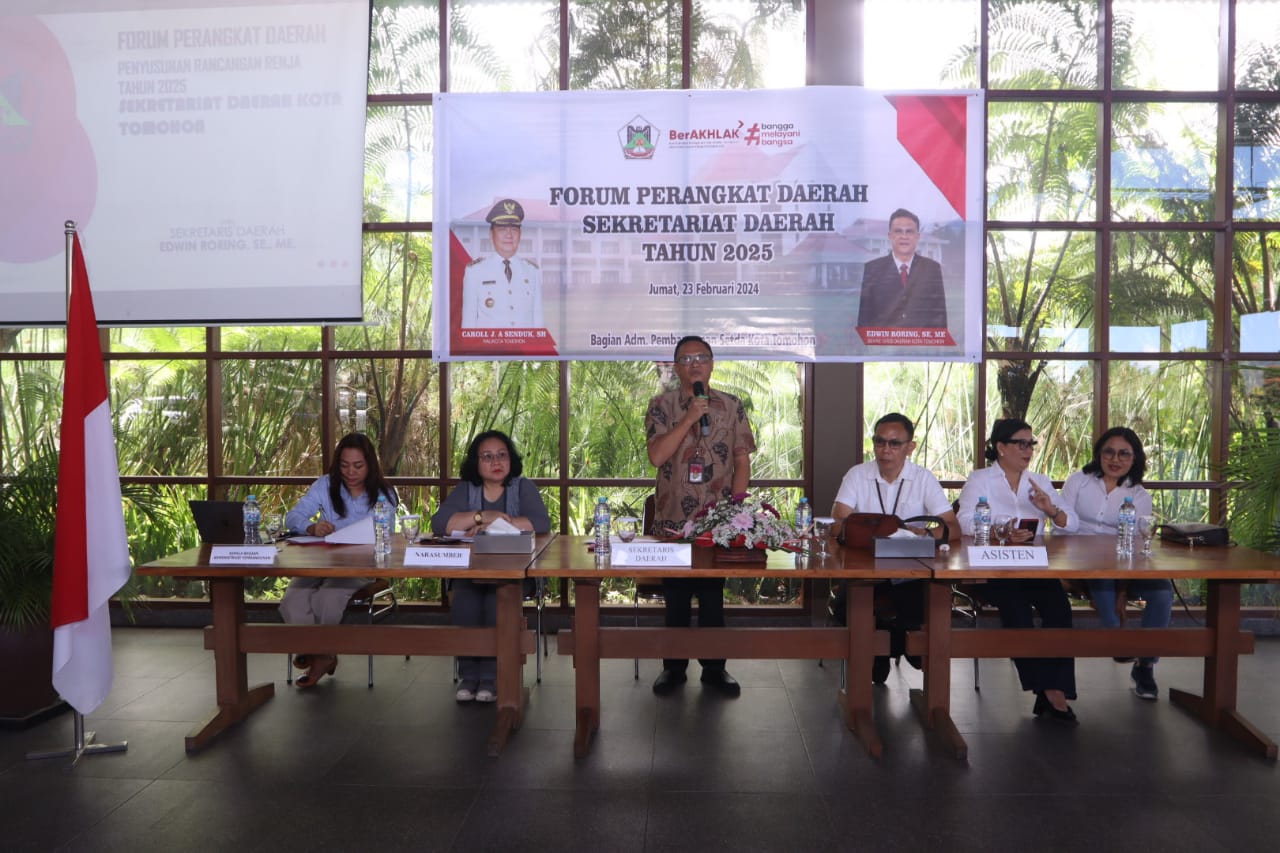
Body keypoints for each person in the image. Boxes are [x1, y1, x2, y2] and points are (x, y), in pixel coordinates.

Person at [645, 335, 755, 698]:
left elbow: (741, 458)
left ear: (712, 364)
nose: (694, 364)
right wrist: (690, 416)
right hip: (673, 518)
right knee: (675, 597)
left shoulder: (732, 405)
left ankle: (715, 669)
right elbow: (658, 456)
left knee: (712, 596)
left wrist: (736, 509)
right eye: (686, 358)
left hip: (717, 520)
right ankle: (673, 668)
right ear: (676, 367)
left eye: (701, 357)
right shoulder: (661, 405)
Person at [957, 418, 1081, 723]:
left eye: (1031, 444)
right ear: (1001, 447)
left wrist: (1050, 509)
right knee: (1016, 611)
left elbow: (1072, 524)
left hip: (1033, 566)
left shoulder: (1039, 480)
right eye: (1020, 443)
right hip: (992, 567)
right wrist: (1000, 529)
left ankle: (1052, 688)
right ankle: (1050, 692)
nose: (1028, 450)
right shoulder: (981, 478)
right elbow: (963, 521)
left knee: (1059, 609)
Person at [830, 412, 961, 684]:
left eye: (894, 443)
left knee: (924, 606)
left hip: (909, 568)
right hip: (864, 567)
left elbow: (952, 527)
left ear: (910, 447)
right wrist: (872, 532)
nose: (885, 450)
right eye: (879, 442)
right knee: (847, 606)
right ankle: (881, 651)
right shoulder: (857, 475)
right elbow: (837, 522)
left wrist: (921, 532)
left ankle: (895, 647)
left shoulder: (923, 478)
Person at [432, 430, 550, 703]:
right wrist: (482, 515)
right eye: (487, 456)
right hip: (471, 571)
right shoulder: (467, 489)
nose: (495, 461)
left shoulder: (522, 487)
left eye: (502, 455)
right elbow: (441, 524)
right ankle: (469, 676)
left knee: (496, 601)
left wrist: (494, 523)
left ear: (511, 459)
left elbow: (540, 523)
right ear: (476, 462)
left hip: (515, 572)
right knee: (466, 602)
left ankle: (493, 677)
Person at [1060, 427, 1170, 700]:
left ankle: (1145, 665)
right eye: (1109, 451)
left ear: (1135, 459)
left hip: (1123, 565)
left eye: (1124, 453)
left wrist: (1122, 593)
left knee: (1163, 591)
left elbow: (1133, 544)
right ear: (1099, 454)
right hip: (1078, 560)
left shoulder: (1140, 496)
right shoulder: (1079, 481)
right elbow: (1062, 525)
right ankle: (1116, 638)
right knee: (1101, 572)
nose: (1115, 459)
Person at [281, 432, 398, 688]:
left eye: (358, 466)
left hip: (361, 564)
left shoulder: (383, 493)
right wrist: (310, 528)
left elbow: (386, 530)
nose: (350, 472)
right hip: (319, 561)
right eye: (344, 465)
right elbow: (293, 516)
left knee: (328, 598)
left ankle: (319, 655)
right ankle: (323, 654)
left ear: (370, 465)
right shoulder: (324, 485)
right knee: (293, 600)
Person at [855, 208, 948, 330]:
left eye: (909, 232)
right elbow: (864, 319)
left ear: (917, 236)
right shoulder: (872, 269)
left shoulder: (932, 269)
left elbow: (940, 318)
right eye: (898, 231)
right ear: (890, 236)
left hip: (921, 345)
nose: (904, 236)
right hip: (884, 345)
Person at [461, 198, 544, 328]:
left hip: (524, 347)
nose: (509, 235)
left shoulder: (533, 272)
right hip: (489, 348)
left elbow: (538, 324)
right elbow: (468, 326)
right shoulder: (475, 272)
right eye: (502, 229)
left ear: (520, 234)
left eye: (514, 229)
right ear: (491, 234)